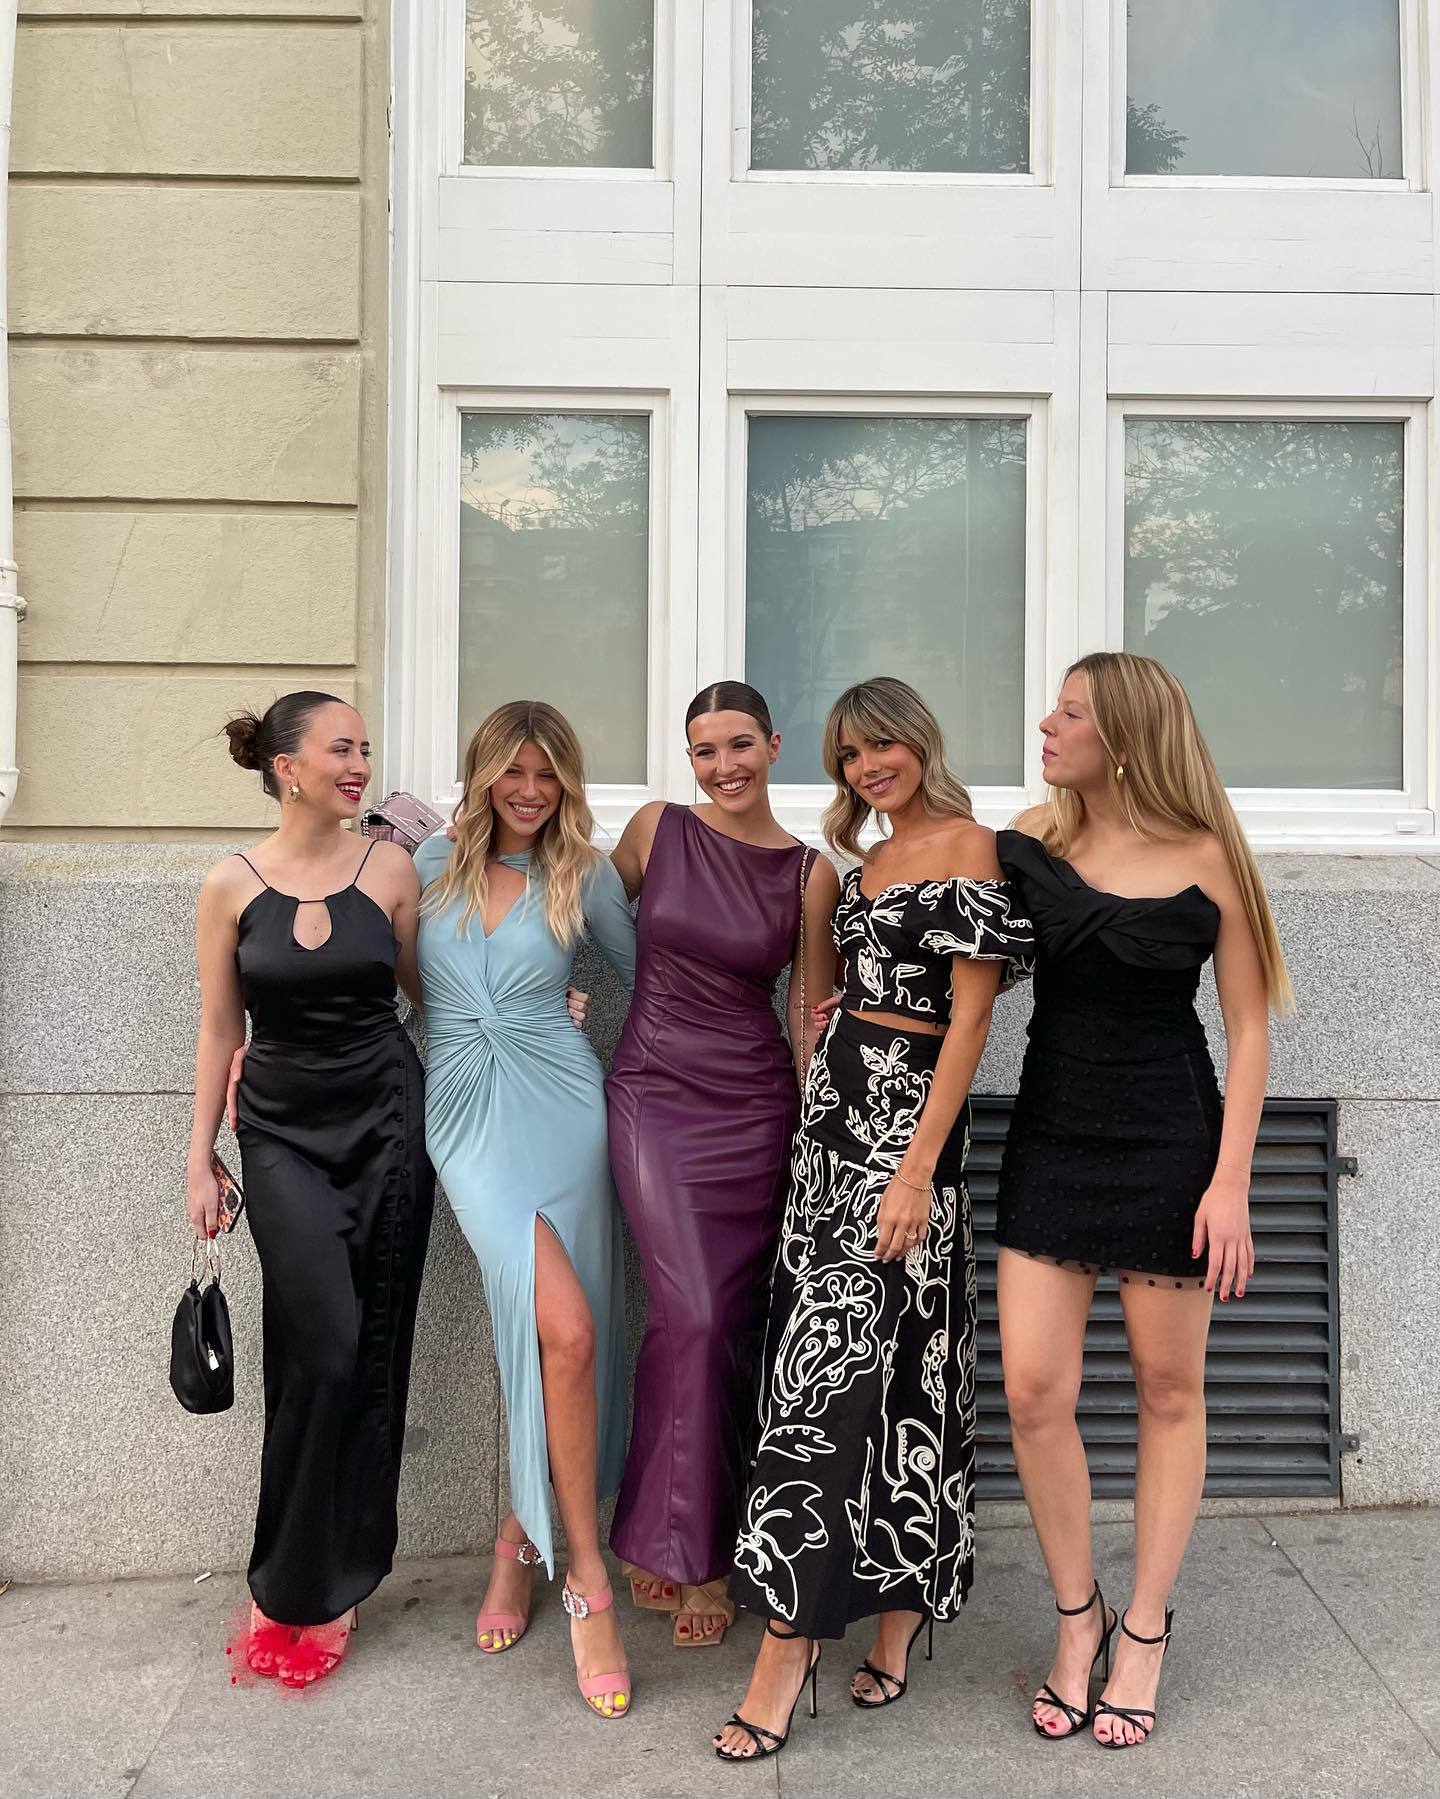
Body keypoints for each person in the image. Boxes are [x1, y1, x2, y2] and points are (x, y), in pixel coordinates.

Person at [714, 677, 1034, 1762]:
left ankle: (791, 1646)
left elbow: (971, 1022)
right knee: (847, 1366)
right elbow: (868, 984)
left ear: (919, 740)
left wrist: (917, 1171)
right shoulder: (865, 862)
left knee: (865, 1374)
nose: (867, 766)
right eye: (849, 754)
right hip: (833, 1122)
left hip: (906, 1137)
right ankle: (886, 1618)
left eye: (881, 744)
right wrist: (841, 1013)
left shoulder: (972, 848)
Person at [995, 650, 1291, 1749]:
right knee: (1033, 1390)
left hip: (1171, 1140)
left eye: (1069, 712)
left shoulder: (1208, 854)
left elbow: (1250, 1026)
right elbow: (946, 946)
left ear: (1121, 737)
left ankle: (1147, 1629)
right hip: (1051, 1133)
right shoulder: (1032, 836)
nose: (1046, 723)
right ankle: (1079, 1615)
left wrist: (1232, 1183)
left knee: (1169, 1391)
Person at [187, 692, 435, 1689]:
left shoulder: (393, 869)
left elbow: (432, 994)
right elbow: (220, 1027)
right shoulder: (229, 883)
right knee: (319, 1347)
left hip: (389, 1124)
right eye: (341, 748)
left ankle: (343, 1575)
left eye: (365, 748)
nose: (359, 763)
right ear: (286, 766)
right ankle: (289, 1576)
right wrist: (199, 1155)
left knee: (373, 1344)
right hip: (281, 1134)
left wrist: (539, 1007)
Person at [413, 701, 637, 1720]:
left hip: (563, 1104)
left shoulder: (583, 873)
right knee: (556, 1325)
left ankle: (539, 1544)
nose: (532, 790)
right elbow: (390, 982)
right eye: (514, 771)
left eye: (549, 774)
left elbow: (655, 980)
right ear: (483, 773)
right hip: (465, 1111)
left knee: (567, 1336)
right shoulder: (427, 862)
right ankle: (574, 1558)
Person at [605, 681, 840, 1649]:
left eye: (739, 744)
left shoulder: (811, 872)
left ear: (774, 745)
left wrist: (822, 1132)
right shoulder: (654, 829)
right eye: (704, 750)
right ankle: (679, 1541)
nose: (723, 766)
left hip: (753, 1108)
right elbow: (565, 911)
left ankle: (702, 1544)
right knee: (691, 1312)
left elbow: (807, 1015)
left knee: (727, 1323)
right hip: (653, 1093)